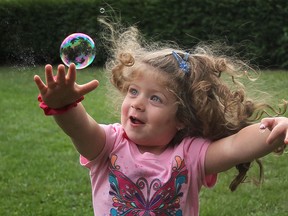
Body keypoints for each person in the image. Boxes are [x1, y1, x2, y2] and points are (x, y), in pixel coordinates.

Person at [34, 20, 288, 216]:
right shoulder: (109, 143)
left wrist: (273, 128)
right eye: (133, 91)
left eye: (155, 98)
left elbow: (235, 147)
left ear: (182, 118)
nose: (138, 103)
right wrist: (65, 106)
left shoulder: (190, 155)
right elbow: (80, 129)